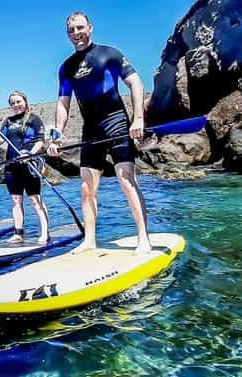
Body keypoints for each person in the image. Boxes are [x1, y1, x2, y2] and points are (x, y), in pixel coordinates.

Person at [47, 11, 151, 253]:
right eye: (71, 30)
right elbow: (63, 103)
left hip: (115, 121)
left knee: (126, 180)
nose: (76, 33)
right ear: (67, 34)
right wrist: (57, 135)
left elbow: (136, 83)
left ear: (90, 28)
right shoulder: (66, 68)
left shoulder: (109, 54)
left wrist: (137, 119)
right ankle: (89, 241)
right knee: (86, 187)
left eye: (80, 28)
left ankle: (143, 238)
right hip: (90, 128)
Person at [0, 91, 50, 244]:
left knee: (35, 199)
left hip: (29, 164)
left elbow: (40, 141)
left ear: (25, 102)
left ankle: (45, 232)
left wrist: (29, 153)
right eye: (12, 103)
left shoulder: (34, 119)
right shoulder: (8, 121)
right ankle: (18, 233)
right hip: (12, 166)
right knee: (16, 201)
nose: (16, 105)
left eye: (18, 102)